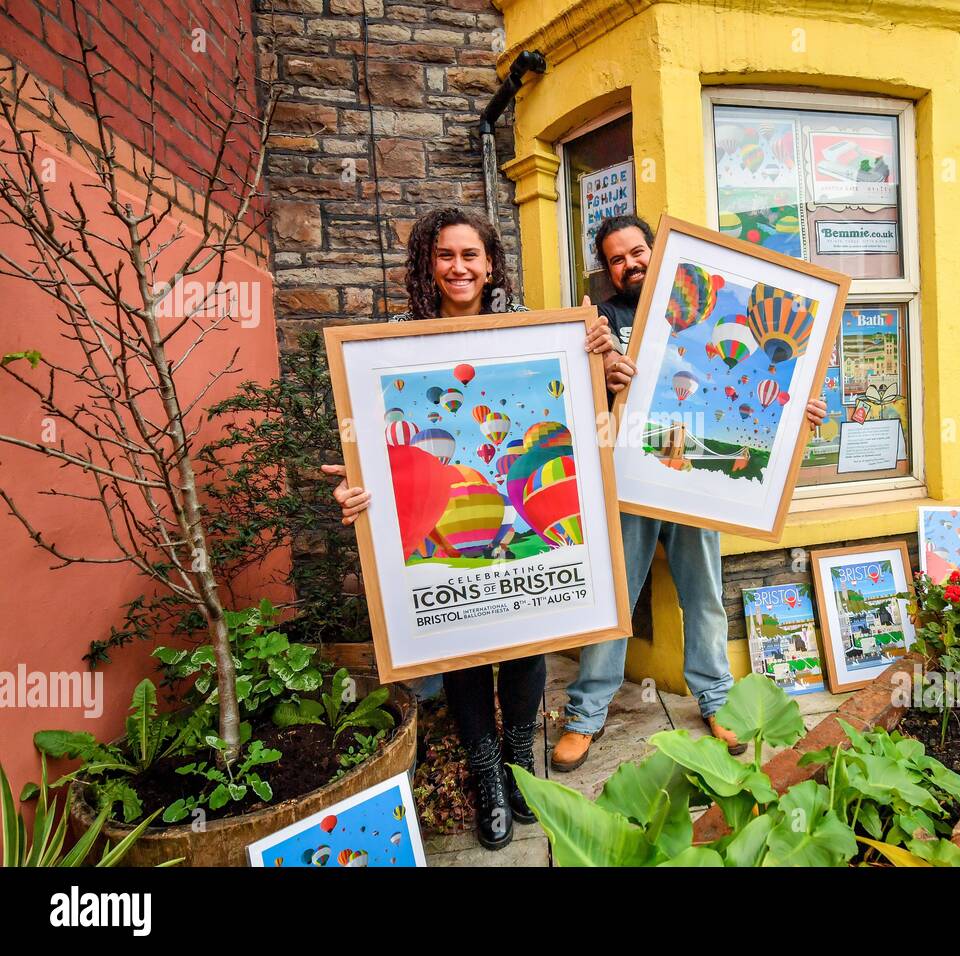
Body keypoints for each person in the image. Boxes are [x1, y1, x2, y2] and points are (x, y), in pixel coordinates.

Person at [323, 207, 608, 850]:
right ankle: (486, 774)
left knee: (528, 641)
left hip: (506, 514)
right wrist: (356, 483)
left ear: (490, 263)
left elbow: (586, 413)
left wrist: (595, 354)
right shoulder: (392, 340)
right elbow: (371, 443)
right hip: (448, 515)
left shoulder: (531, 331)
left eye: (471, 255)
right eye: (446, 255)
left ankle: (517, 765)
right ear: (429, 262)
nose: (459, 267)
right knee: (465, 652)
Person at [550, 214, 828, 771]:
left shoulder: (702, 306)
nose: (630, 263)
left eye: (637, 251)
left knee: (702, 592)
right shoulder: (601, 320)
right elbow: (575, 409)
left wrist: (798, 409)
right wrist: (600, 376)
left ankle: (717, 699)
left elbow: (748, 380)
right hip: (630, 475)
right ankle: (586, 713)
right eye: (617, 258)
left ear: (656, 251)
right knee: (618, 596)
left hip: (699, 476)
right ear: (607, 271)